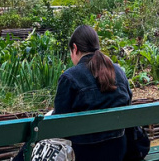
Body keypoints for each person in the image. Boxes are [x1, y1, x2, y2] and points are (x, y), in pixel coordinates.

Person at [52, 25, 134, 161]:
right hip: (118, 150)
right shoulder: (118, 71)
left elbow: (60, 126)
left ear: (75, 48)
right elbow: (128, 106)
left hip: (84, 154)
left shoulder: (70, 77)